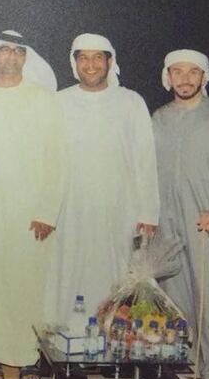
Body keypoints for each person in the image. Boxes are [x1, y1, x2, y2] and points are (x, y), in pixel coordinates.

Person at [0, 30, 66, 379]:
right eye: (4, 50)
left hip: (31, 209)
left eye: (17, 51)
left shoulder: (44, 99)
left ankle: (27, 355)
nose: (10, 56)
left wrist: (47, 210)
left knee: (28, 282)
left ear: (26, 58)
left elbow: (57, 159)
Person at [44, 33, 159, 327]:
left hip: (120, 209)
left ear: (110, 62)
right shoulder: (59, 102)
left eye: (98, 58)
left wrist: (148, 213)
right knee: (69, 275)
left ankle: (113, 344)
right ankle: (70, 344)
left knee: (115, 275)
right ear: (74, 63)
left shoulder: (131, 102)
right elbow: (48, 159)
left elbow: (144, 160)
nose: (91, 65)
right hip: (71, 209)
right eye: (84, 58)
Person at [153, 49, 209, 379]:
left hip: (207, 227)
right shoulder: (159, 118)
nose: (184, 79)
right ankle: (189, 366)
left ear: (204, 77)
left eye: (193, 72)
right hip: (167, 226)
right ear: (167, 76)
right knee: (176, 304)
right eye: (177, 72)